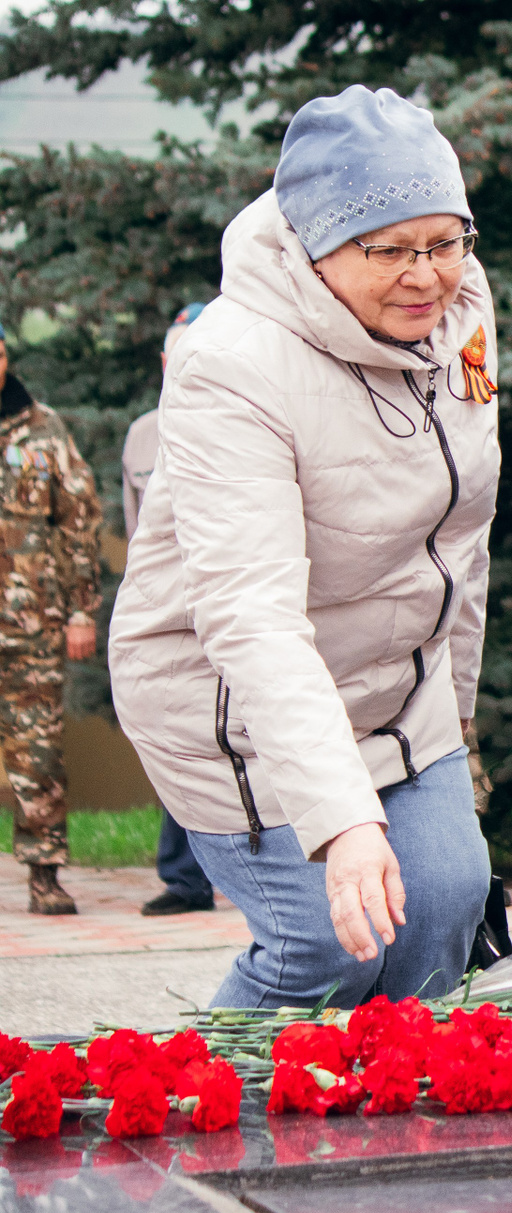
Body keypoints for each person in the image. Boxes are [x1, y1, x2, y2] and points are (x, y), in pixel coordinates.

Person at [110, 86, 498, 1006]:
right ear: (316, 246)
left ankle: (397, 1100)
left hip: (399, 686)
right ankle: (177, 1094)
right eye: (389, 250)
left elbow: (461, 527)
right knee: (329, 949)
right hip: (236, 710)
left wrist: (460, 708)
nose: (426, 277)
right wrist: (342, 822)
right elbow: (252, 618)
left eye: (446, 242)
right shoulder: (231, 363)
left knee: (442, 914)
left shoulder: (461, 308)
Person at [0, 319, 101, 915]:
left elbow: (77, 521)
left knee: (36, 753)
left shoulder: (44, 430)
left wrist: (81, 609)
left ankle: (44, 876)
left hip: (30, 625)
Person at [124, 303, 218, 919]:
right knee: (180, 734)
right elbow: (136, 527)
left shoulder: (246, 413)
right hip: (172, 612)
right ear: (165, 360)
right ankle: (185, 879)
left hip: (238, 601)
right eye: (177, 351)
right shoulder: (142, 435)